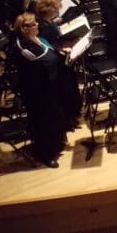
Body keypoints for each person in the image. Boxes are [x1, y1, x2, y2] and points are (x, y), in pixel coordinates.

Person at [14, 12, 68, 168]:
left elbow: (50, 52)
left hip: (50, 86)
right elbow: (43, 63)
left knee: (55, 116)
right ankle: (46, 153)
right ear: (25, 29)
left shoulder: (36, 38)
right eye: (34, 24)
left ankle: (55, 144)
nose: (37, 25)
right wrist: (58, 56)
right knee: (43, 122)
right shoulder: (23, 45)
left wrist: (60, 52)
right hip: (37, 92)